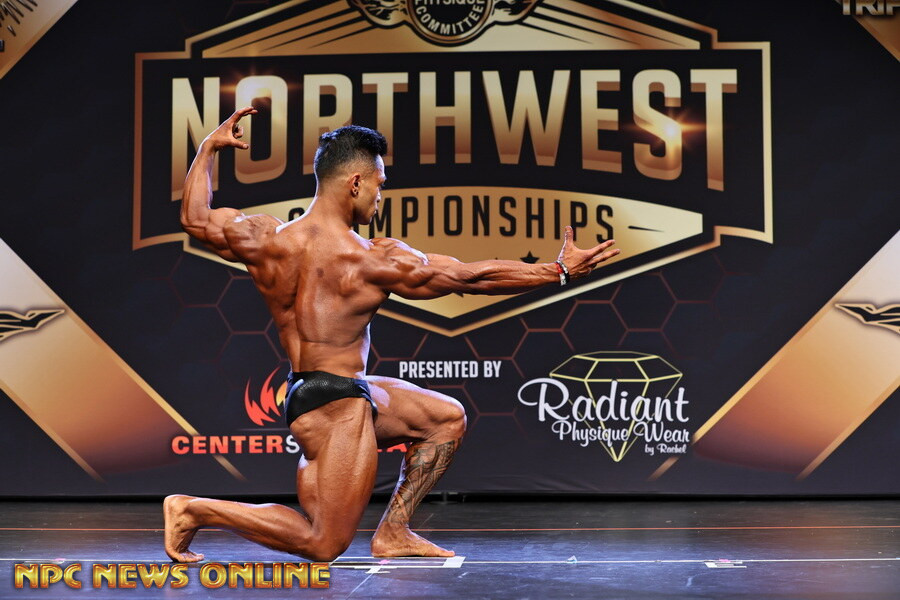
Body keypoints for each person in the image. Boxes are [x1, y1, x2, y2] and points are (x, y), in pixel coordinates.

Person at [164, 107, 621, 563]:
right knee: (323, 542)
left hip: (318, 389)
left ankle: (394, 532)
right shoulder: (369, 260)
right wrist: (557, 271)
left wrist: (207, 150)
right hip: (336, 407)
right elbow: (469, 277)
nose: (381, 196)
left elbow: (197, 218)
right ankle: (193, 510)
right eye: (380, 184)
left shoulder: (265, 237)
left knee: (445, 419)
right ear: (356, 183)